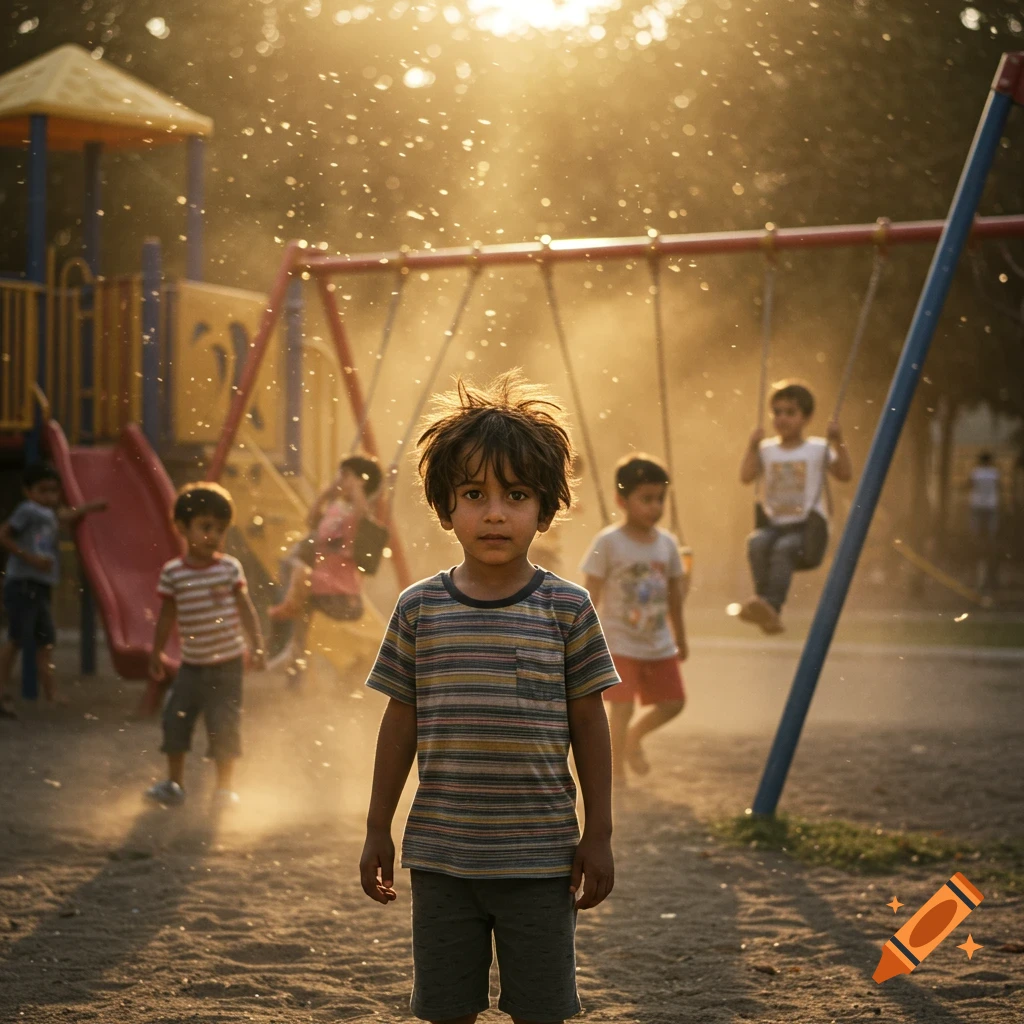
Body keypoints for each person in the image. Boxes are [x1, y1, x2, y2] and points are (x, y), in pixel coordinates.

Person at [358, 370, 618, 1024]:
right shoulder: (419, 610)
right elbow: (400, 723)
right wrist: (375, 826)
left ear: (546, 508)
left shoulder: (566, 609)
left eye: (516, 494)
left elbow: (591, 723)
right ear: (446, 507)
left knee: (541, 1009)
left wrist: (600, 834)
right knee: (446, 1009)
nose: (495, 512)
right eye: (474, 493)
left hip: (539, 861)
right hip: (442, 859)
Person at [146, 482, 265, 808]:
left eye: (219, 528)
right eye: (205, 526)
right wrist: (156, 652)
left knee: (224, 726)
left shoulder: (228, 569)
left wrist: (256, 644)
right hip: (192, 666)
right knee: (175, 719)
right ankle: (174, 784)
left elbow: (245, 608)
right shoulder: (174, 573)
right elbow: (166, 615)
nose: (213, 535)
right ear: (183, 527)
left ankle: (224, 789)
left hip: (227, 666)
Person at [581, 454, 688, 788]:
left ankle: (633, 738)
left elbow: (673, 595)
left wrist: (681, 636)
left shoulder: (668, 544)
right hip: (618, 641)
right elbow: (590, 592)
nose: (655, 507)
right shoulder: (608, 542)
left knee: (673, 703)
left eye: (660, 499)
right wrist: (584, 637)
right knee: (621, 708)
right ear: (622, 500)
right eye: (646, 499)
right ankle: (616, 773)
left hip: (657, 641)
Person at [737, 380, 852, 634]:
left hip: (808, 530)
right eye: (777, 412)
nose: (782, 418)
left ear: (806, 417)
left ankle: (771, 605)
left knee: (784, 548)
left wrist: (838, 441)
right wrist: (751, 445)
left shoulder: (818, 448)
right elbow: (746, 477)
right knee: (756, 542)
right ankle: (765, 606)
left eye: (790, 412)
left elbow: (844, 474)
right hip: (774, 525)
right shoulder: (766, 450)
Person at [0, 464, 106, 717]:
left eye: (54, 491)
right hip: (23, 582)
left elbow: (68, 515)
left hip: (41, 585)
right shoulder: (27, 510)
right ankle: (2, 690)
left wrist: (91, 507)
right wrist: (29, 558)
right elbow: (4, 535)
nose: (49, 496)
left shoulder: (48, 513)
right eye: (42, 490)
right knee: (15, 639)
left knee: (46, 641)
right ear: (28, 491)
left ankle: (51, 692)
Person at [268, 455, 383, 682]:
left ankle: (286, 624)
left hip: (342, 593)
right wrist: (326, 493)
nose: (340, 479)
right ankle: (294, 665)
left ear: (360, 481)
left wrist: (356, 487)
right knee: (300, 623)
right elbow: (311, 521)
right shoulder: (336, 508)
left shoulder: (360, 512)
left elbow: (360, 513)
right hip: (320, 586)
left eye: (346, 476)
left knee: (299, 570)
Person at [967, 451, 1001, 592]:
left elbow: (969, 485)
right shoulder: (994, 473)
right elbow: (999, 487)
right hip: (991, 506)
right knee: (990, 536)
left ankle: (976, 541)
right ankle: (989, 541)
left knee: (976, 535)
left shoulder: (976, 472)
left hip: (977, 506)